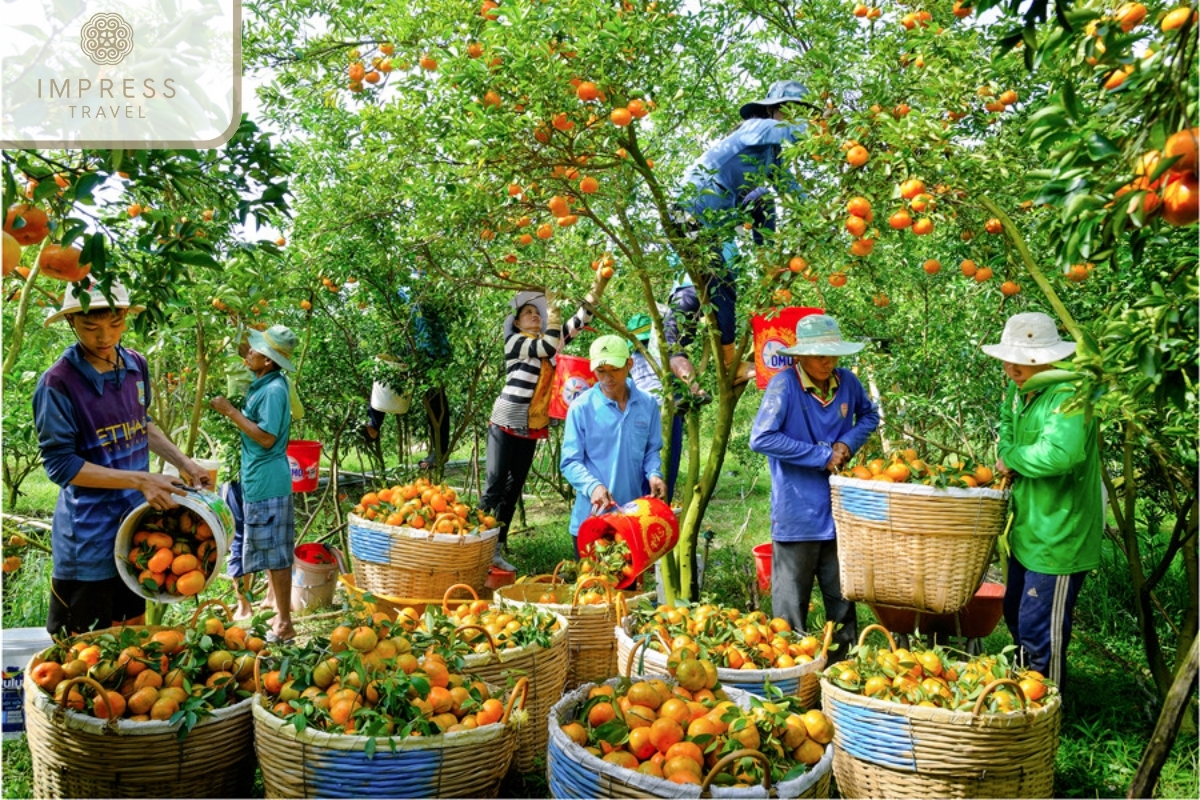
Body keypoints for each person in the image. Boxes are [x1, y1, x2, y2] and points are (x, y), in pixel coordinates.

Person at [33, 280, 213, 636]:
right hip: (88, 540)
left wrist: (184, 461)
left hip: (136, 530)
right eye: (91, 327)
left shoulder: (134, 365)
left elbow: (139, 423)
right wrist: (141, 479)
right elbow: (60, 465)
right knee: (82, 650)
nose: (105, 336)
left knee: (131, 642)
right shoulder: (58, 384)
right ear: (72, 323)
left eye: (115, 324)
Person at [666, 79, 810, 396]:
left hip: (717, 219)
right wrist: (821, 132)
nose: (793, 118)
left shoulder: (772, 153)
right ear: (772, 109)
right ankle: (729, 364)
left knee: (762, 199)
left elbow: (790, 188)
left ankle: (767, 263)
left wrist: (818, 215)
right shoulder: (754, 128)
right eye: (788, 110)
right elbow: (784, 132)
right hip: (691, 208)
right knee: (718, 278)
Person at [982, 312, 1102, 690]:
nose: (1014, 367)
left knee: (1040, 631)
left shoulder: (1066, 395)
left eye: (1026, 359)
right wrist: (1008, 450)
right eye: (1011, 357)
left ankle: (1046, 713)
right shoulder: (1023, 391)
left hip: (1059, 535)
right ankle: (1020, 698)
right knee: (1016, 615)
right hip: (1030, 530)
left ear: (1050, 358)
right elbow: (1006, 424)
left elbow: (1061, 455)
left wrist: (1012, 459)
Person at [749, 314, 878, 655]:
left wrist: (847, 443)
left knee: (843, 605)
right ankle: (791, 687)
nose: (827, 361)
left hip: (839, 513)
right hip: (797, 515)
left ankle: (842, 679)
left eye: (833, 354)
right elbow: (761, 438)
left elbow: (869, 416)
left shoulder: (847, 382)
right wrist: (820, 455)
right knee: (790, 617)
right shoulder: (784, 386)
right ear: (800, 355)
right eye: (820, 354)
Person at [482, 268, 611, 570]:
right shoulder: (516, 343)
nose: (535, 316)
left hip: (531, 428)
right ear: (515, 322)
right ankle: (475, 543)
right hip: (505, 422)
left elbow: (580, 320)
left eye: (538, 313)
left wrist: (599, 284)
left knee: (512, 490)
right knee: (494, 486)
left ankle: (495, 550)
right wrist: (551, 309)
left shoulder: (549, 341)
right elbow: (548, 346)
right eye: (528, 313)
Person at [210, 324, 300, 642]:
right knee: (268, 550)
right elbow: (243, 351)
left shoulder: (274, 390)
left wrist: (230, 411)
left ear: (270, 361)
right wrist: (236, 322)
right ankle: (279, 618)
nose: (249, 352)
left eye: (256, 350)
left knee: (277, 556)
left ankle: (285, 624)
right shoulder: (264, 380)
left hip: (269, 482)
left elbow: (265, 437)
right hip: (257, 482)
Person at [561, 335, 667, 556]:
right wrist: (593, 487)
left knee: (630, 587)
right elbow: (570, 462)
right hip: (592, 521)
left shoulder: (647, 404)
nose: (607, 378)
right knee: (593, 587)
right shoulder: (581, 408)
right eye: (601, 371)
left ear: (630, 364)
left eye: (614, 369)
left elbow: (651, 450)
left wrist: (654, 474)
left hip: (632, 519)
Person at [365, 295, 452, 471]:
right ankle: (373, 424)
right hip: (409, 345)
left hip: (431, 351)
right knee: (387, 375)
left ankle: (440, 450)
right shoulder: (402, 286)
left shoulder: (432, 286)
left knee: (435, 399)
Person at [626, 312, 683, 502]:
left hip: (641, 414)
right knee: (665, 464)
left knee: (646, 465)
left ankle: (645, 507)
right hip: (663, 412)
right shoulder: (662, 355)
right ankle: (656, 508)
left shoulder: (630, 360)